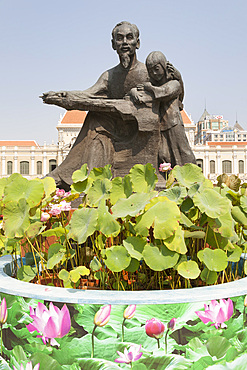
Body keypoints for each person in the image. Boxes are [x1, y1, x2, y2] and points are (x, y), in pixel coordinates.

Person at [41, 21, 152, 189]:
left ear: (138, 43)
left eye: (129, 38)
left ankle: (63, 176)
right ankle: (87, 179)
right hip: (113, 130)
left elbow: (173, 93)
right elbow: (87, 95)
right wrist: (63, 96)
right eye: (119, 38)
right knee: (95, 118)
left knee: (97, 118)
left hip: (140, 132)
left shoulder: (148, 73)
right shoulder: (109, 76)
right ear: (113, 44)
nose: (124, 43)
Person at [134, 51, 196, 168]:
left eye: (157, 68)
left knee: (182, 151)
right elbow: (136, 90)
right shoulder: (152, 86)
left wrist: (149, 87)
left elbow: (163, 92)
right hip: (159, 125)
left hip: (173, 123)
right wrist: (134, 92)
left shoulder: (174, 84)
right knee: (164, 154)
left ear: (164, 66)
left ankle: (192, 175)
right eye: (150, 70)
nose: (154, 73)